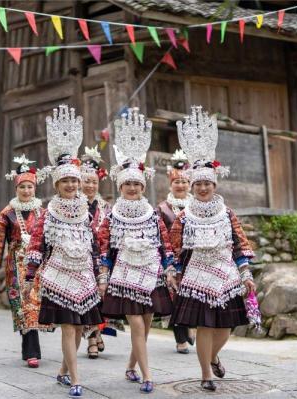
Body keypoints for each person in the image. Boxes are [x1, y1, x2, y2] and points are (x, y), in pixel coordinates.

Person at [169, 106, 257, 392]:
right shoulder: (184, 217)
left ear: (214, 184)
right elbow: (175, 248)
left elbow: (240, 244)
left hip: (226, 273)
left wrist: (245, 272)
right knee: (205, 327)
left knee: (225, 327)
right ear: (192, 187)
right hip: (197, 275)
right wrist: (175, 271)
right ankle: (205, 373)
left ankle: (214, 356)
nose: (203, 188)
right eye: (199, 184)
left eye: (207, 183)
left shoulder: (227, 213)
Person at [97, 108, 177, 394]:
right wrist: (103, 277)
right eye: (127, 183)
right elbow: (104, 249)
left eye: (136, 184)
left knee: (145, 324)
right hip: (125, 276)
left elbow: (165, 244)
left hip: (151, 274)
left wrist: (170, 269)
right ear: (120, 186)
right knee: (137, 327)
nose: (132, 187)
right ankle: (147, 376)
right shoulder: (112, 214)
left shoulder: (153, 214)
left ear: (143, 186)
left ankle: (131, 367)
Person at [26, 105, 102, 398]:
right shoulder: (48, 212)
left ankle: (63, 371)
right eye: (66, 181)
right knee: (69, 328)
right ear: (57, 183)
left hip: (83, 274)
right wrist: (32, 273)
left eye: (75, 180)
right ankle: (77, 379)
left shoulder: (86, 211)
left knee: (81, 327)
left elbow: (94, 244)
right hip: (58, 274)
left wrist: (100, 274)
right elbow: (37, 243)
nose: (71, 185)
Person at [0, 154, 48, 369]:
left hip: (40, 266)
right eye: (22, 187)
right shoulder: (7, 213)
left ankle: (31, 348)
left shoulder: (43, 212)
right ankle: (31, 352)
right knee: (23, 306)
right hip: (17, 265)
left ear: (34, 188)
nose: (26, 191)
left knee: (37, 306)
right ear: (16, 189)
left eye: (30, 187)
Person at [79, 146, 118, 359]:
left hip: (101, 258)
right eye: (86, 181)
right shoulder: (73, 206)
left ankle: (97, 332)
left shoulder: (106, 207)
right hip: (81, 258)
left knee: (100, 299)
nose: (91, 185)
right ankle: (92, 339)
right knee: (87, 299)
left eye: (94, 182)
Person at [156, 149, 195, 354]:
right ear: (170, 184)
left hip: (194, 257)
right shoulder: (162, 208)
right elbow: (160, 235)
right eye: (176, 182)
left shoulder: (197, 206)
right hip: (172, 256)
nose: (180, 185)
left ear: (189, 184)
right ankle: (180, 338)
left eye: (184, 182)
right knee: (176, 297)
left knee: (192, 296)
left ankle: (191, 327)